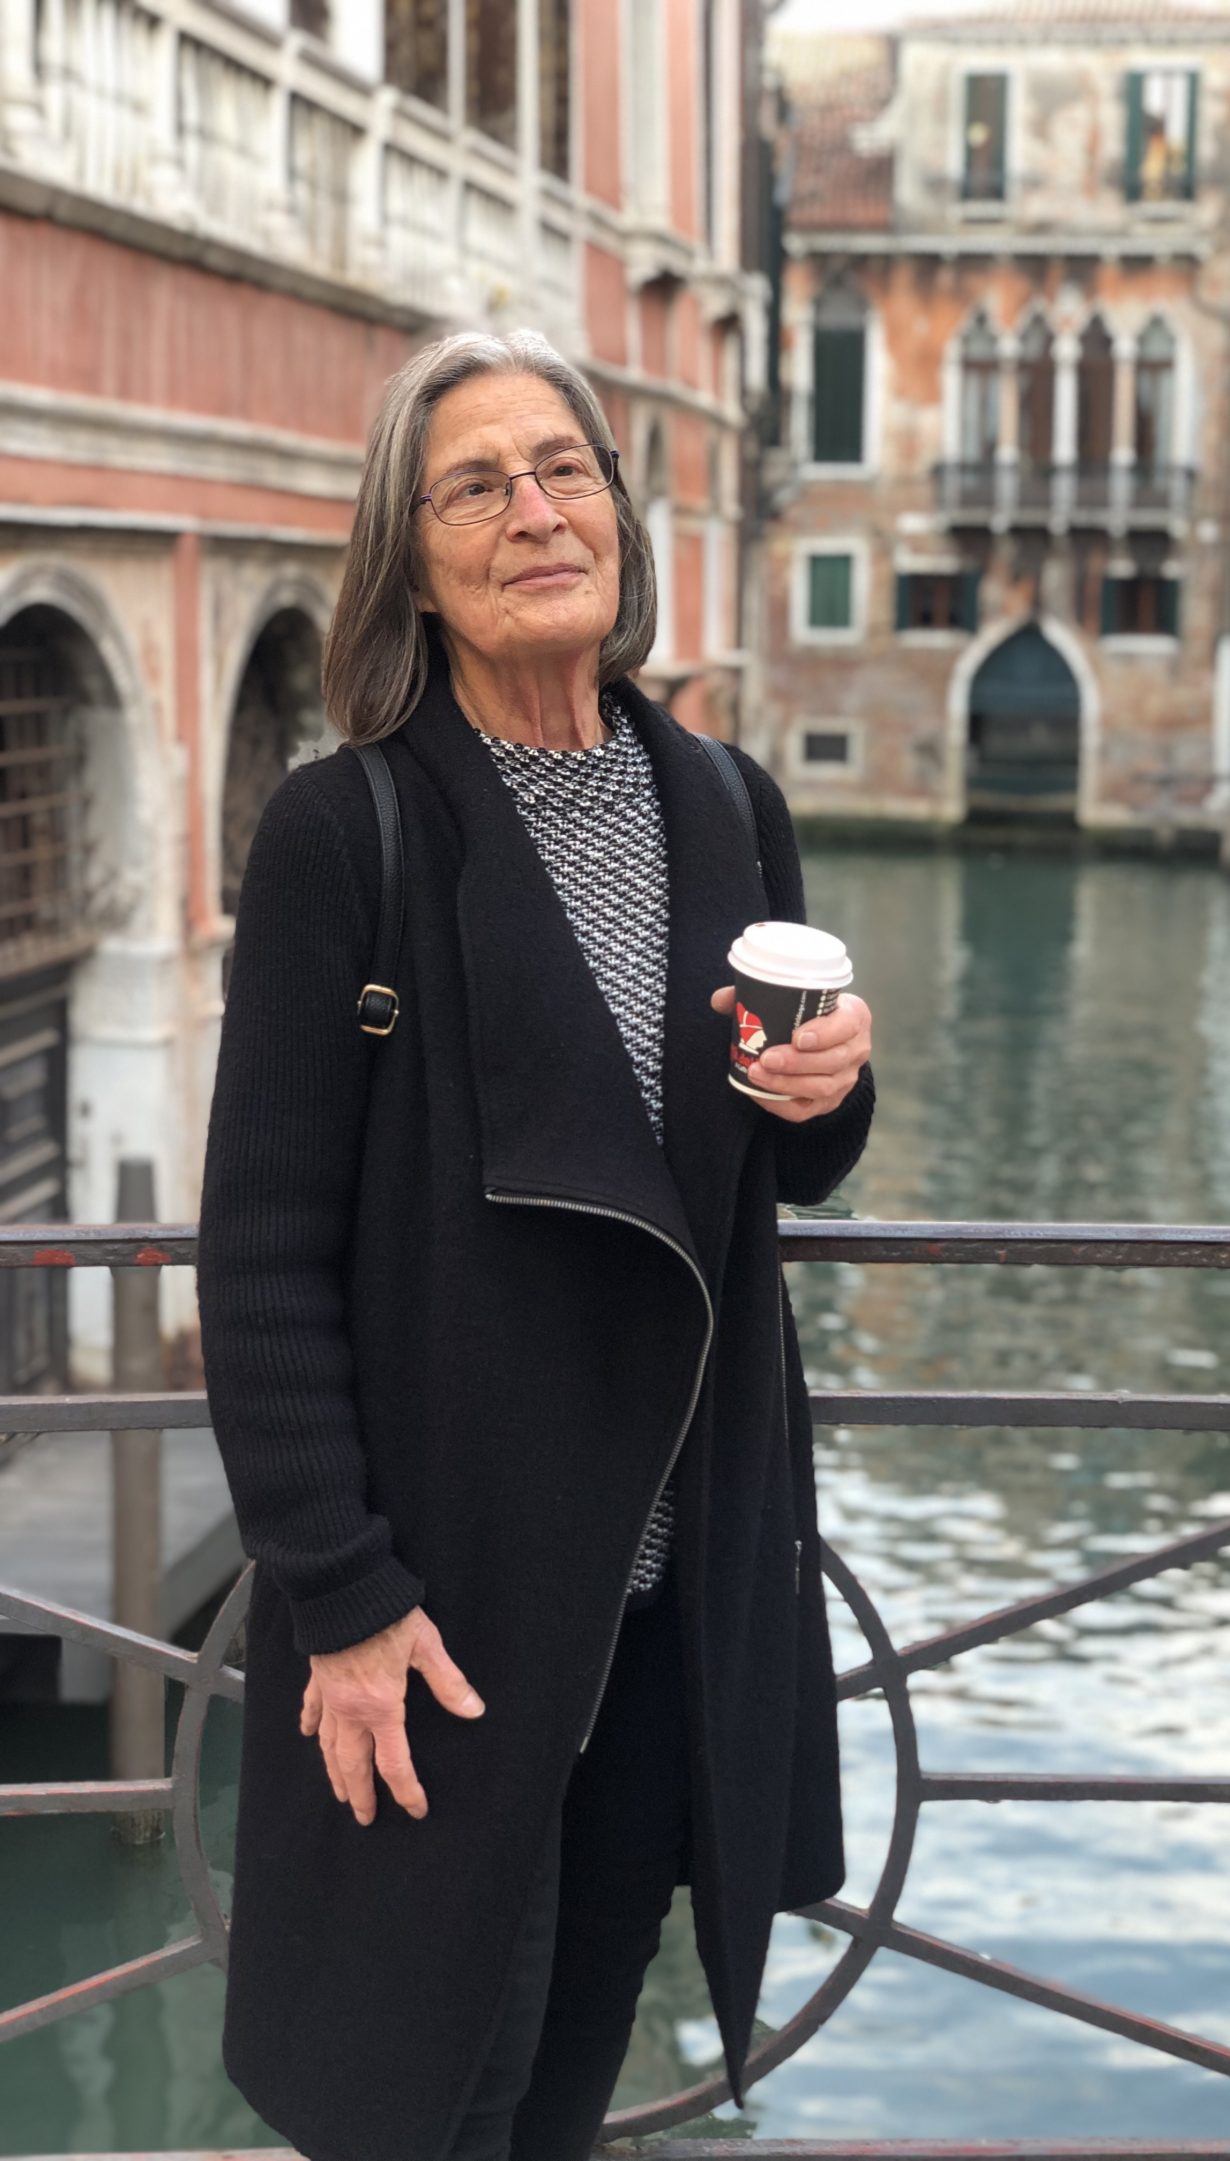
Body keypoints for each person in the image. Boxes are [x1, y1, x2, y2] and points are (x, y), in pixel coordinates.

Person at [195, 326, 875, 2161]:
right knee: (426, 2105)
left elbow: (772, 1176)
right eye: (475, 485)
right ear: (407, 557)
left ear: (622, 519)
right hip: (446, 1616)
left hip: (674, 1607)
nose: (532, 511)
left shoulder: (731, 808)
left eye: (563, 469)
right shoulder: (352, 833)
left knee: (564, 2099)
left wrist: (830, 1087)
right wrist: (337, 1594)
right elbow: (258, 1258)